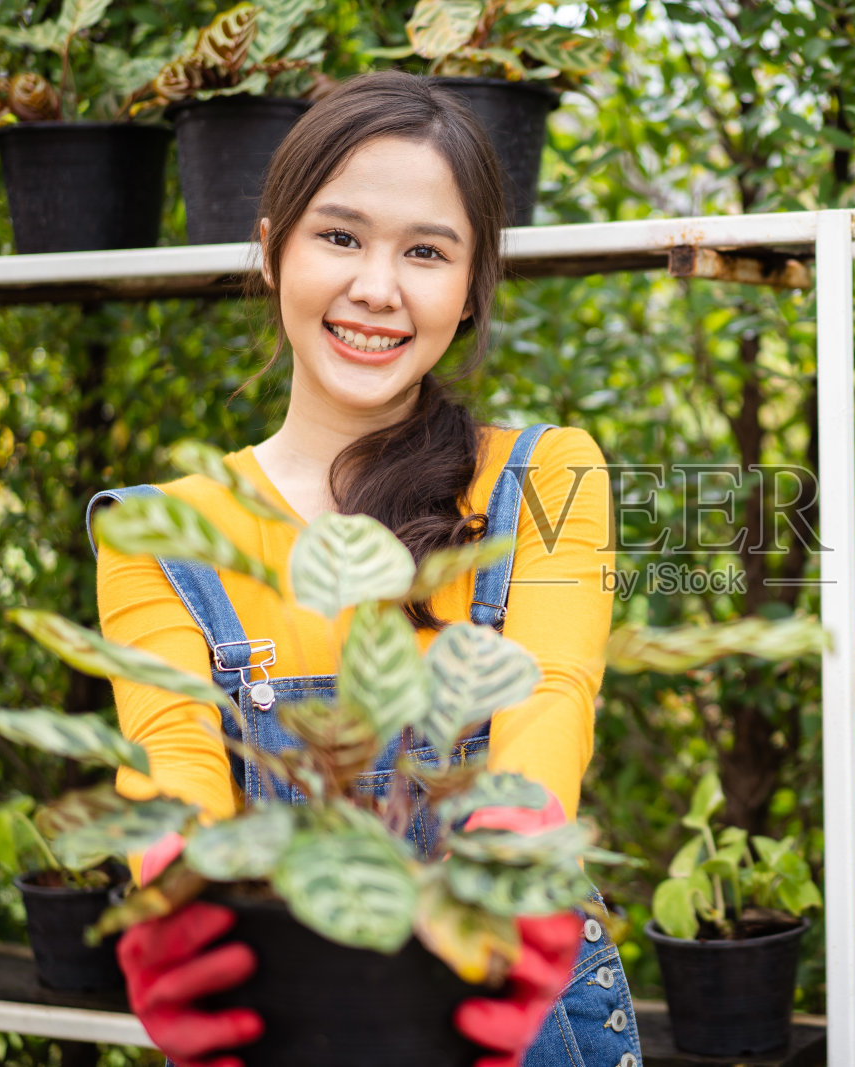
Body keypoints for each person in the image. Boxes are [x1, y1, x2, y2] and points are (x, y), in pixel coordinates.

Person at [90, 71, 639, 1067]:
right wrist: (174, 900)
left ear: (470, 289)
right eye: (339, 236)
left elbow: (549, 698)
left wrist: (506, 859)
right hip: (280, 1018)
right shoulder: (161, 531)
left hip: (507, 1010)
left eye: (425, 252)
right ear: (271, 249)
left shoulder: (545, 477)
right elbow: (170, 768)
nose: (377, 287)